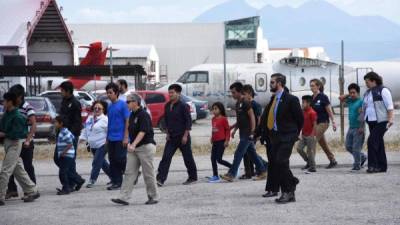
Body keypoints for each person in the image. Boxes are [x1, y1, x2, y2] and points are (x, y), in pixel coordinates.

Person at [257, 73, 303, 204]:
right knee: (278, 164)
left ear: (279, 83)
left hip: (287, 136)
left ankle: (288, 190)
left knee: (281, 161)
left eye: (272, 82)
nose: (270, 84)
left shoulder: (291, 99)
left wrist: (294, 134)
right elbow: (268, 117)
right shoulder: (273, 99)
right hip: (275, 137)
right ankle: (290, 187)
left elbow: (300, 119)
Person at [111, 94, 159, 205]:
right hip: (134, 147)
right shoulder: (132, 115)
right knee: (129, 172)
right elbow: (131, 130)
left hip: (145, 147)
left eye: (128, 102)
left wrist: (134, 144)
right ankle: (123, 197)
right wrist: (129, 142)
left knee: (148, 173)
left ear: (135, 102)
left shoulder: (143, 115)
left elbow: (143, 131)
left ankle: (153, 197)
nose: (126, 103)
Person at [220, 82, 267, 182]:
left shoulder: (246, 102)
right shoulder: (238, 103)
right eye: (231, 92)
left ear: (239, 92)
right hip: (243, 133)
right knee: (252, 154)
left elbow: (252, 117)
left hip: (247, 134)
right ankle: (263, 171)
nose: (232, 95)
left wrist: (253, 132)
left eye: (233, 92)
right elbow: (240, 120)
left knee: (238, 153)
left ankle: (231, 174)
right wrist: (233, 128)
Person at [0, 92, 40, 205]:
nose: (3, 103)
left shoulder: (17, 116)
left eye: (4, 101)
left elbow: (18, 134)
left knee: (5, 170)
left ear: (10, 102)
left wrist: (4, 134)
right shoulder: (6, 114)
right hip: (8, 144)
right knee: (18, 170)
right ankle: (32, 190)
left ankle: (0, 196)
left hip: (14, 144)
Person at [156, 84, 198, 186]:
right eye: (169, 92)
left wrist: (185, 135)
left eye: (172, 92)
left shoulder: (183, 106)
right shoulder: (167, 105)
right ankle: (160, 179)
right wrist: (167, 132)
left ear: (178, 93)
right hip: (172, 137)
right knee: (166, 157)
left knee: (187, 158)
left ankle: (193, 177)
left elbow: (188, 121)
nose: (170, 94)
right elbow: (166, 120)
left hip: (183, 137)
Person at [362, 72, 394, 173]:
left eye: (367, 82)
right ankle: (382, 166)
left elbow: (390, 106)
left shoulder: (383, 90)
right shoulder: (367, 93)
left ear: (373, 81)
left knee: (371, 141)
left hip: (382, 121)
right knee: (378, 143)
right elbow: (365, 107)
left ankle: (372, 165)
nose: (366, 84)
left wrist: (390, 120)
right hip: (371, 121)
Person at [59, 81, 85, 191]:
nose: (61, 92)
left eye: (62, 91)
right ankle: (76, 180)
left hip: (71, 135)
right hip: (62, 134)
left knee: (69, 159)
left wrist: (72, 135)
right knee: (60, 159)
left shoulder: (75, 103)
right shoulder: (64, 101)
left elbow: (77, 122)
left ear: (68, 91)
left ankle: (71, 183)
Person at [79, 101, 111, 188]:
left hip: (102, 144)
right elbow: (86, 130)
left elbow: (109, 132)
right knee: (102, 163)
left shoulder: (105, 119)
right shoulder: (89, 118)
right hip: (92, 145)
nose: (96, 110)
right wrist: (81, 139)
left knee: (96, 162)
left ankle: (92, 180)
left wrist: (107, 142)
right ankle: (113, 177)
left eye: (99, 108)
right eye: (95, 108)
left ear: (103, 110)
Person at [105, 82, 130, 190]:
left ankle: (131, 172)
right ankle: (116, 181)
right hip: (111, 138)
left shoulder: (123, 104)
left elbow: (127, 121)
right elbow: (109, 123)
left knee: (120, 158)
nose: (108, 95)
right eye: (107, 93)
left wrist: (125, 137)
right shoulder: (110, 106)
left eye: (110, 92)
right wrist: (107, 138)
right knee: (112, 159)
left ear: (116, 93)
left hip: (120, 138)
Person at [240, 84, 268, 180]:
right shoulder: (244, 104)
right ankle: (250, 171)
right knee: (248, 152)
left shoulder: (256, 105)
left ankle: (261, 167)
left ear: (249, 94)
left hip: (253, 133)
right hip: (246, 132)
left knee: (249, 152)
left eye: (244, 94)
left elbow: (259, 120)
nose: (242, 96)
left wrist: (257, 133)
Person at [310, 79, 338, 169]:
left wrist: (333, 121)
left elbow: (329, 110)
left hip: (323, 123)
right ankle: (332, 160)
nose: (311, 87)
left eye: (313, 85)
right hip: (315, 124)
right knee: (323, 144)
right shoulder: (312, 98)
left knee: (312, 141)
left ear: (318, 86)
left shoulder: (323, 97)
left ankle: (311, 164)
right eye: (311, 86)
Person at [339, 83, 367, 171]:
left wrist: (361, 127)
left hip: (359, 127)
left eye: (354, 93)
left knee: (356, 148)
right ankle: (362, 157)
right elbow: (340, 98)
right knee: (348, 146)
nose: (352, 94)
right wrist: (348, 94)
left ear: (358, 93)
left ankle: (357, 165)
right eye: (350, 93)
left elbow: (362, 115)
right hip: (351, 127)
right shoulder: (350, 100)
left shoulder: (361, 102)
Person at [207, 102, 232, 183]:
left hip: (222, 141)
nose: (214, 111)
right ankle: (215, 175)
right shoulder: (213, 119)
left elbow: (227, 130)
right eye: (213, 109)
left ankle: (233, 168)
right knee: (212, 159)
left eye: (216, 109)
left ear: (220, 110)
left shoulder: (224, 119)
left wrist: (227, 140)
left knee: (219, 159)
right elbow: (213, 130)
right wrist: (212, 137)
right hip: (215, 142)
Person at [54, 116, 78, 195]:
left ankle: (66, 188)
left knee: (62, 173)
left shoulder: (64, 131)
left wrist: (63, 152)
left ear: (61, 123)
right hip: (66, 155)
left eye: (56, 122)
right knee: (64, 172)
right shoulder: (63, 131)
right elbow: (72, 137)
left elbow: (70, 143)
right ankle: (72, 184)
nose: (55, 124)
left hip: (66, 156)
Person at [297, 95, 318, 173]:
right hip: (304, 135)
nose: (302, 104)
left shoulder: (312, 113)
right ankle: (308, 162)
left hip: (310, 136)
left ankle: (313, 167)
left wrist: (312, 135)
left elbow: (315, 124)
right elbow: (302, 123)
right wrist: (300, 133)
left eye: (303, 102)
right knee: (299, 148)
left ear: (309, 103)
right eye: (302, 102)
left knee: (310, 152)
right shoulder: (303, 112)